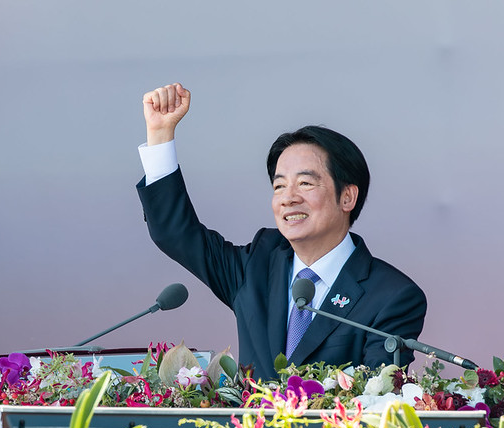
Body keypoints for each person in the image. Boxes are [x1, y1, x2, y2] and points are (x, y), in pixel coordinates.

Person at [136, 83, 426, 380]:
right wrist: (160, 135)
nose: (288, 198)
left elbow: (377, 393)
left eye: (305, 183)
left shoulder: (392, 296)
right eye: (279, 186)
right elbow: (176, 233)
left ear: (347, 197)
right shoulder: (258, 264)